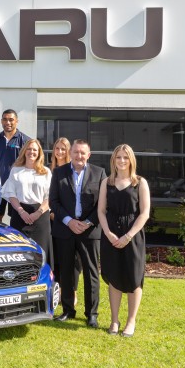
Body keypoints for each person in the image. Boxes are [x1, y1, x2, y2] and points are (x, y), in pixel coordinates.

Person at [49, 139, 107, 328]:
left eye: (83, 153)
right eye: (76, 152)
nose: (79, 156)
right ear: (70, 153)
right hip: (65, 230)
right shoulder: (59, 172)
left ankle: (92, 314)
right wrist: (69, 221)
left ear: (88, 155)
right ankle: (68, 310)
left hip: (89, 232)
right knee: (66, 271)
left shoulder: (99, 173)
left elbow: (102, 204)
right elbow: (54, 201)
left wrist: (87, 222)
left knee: (91, 273)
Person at [98, 144, 150, 337]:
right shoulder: (107, 183)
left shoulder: (140, 182)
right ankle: (114, 320)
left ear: (131, 160)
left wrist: (128, 236)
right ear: (113, 160)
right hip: (111, 235)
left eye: (125, 157)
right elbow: (101, 211)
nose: (121, 161)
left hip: (133, 236)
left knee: (134, 278)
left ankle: (131, 321)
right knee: (114, 277)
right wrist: (109, 233)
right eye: (118, 157)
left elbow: (144, 213)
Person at [2, 139, 53, 268]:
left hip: (41, 216)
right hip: (20, 215)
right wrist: (21, 211)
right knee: (20, 252)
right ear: (24, 151)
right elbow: (10, 193)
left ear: (39, 153)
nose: (32, 152)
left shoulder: (46, 172)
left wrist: (38, 213)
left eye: (35, 150)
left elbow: (50, 196)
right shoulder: (16, 170)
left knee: (41, 252)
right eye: (29, 149)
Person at [49, 137, 81, 306]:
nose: (60, 152)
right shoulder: (49, 170)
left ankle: (73, 292)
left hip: (70, 222)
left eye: (63, 149)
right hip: (52, 222)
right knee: (58, 260)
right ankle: (60, 291)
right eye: (57, 148)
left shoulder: (72, 171)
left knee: (74, 261)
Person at [0, 109, 31, 220]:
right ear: (1, 121)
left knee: (16, 217)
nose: (8, 122)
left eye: (11, 120)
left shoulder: (26, 141)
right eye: (5, 119)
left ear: (17, 121)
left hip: (17, 187)